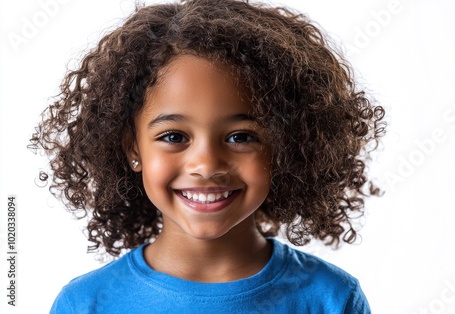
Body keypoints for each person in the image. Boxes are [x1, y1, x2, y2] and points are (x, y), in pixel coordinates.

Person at [32, 0, 385, 312]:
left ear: (285, 146)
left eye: (241, 136)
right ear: (132, 148)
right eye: (174, 137)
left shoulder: (331, 300)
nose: (206, 165)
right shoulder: (86, 304)